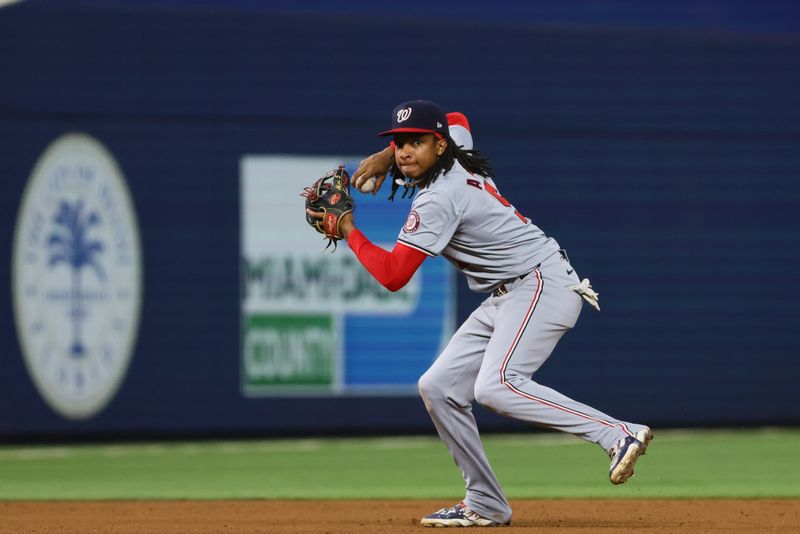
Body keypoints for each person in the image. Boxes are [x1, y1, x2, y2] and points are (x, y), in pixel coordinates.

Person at [307, 100, 652, 528]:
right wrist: (384, 157)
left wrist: (348, 229)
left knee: (496, 387)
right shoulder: (457, 151)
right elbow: (458, 121)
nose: (406, 151)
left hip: (541, 284)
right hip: (511, 292)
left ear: (438, 146)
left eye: (417, 142)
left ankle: (615, 433)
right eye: (399, 143)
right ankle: (485, 501)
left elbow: (394, 275)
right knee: (438, 387)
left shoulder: (438, 199)